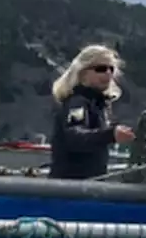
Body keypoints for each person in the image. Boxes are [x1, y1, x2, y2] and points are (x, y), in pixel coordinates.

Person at [50, 46, 135, 180]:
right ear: (82, 72)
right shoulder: (77, 103)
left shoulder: (98, 104)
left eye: (111, 69)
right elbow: (75, 137)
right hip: (72, 188)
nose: (108, 73)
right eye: (100, 69)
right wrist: (110, 135)